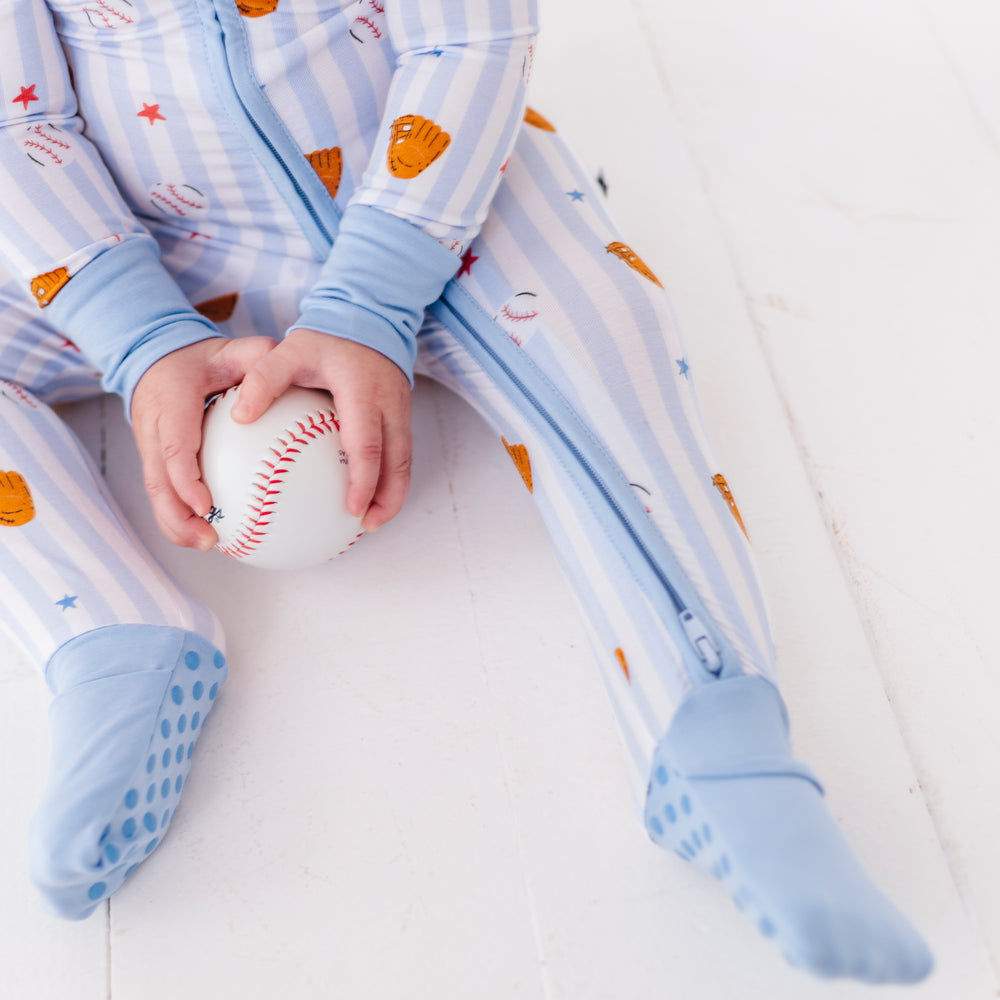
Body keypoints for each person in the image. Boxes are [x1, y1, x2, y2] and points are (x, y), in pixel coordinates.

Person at [0, 0, 932, 982]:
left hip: (431, 195)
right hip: (140, 235)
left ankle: (712, 730)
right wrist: (141, 337)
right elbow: (17, 120)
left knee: (601, 331)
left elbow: (469, 38)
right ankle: (107, 631)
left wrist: (372, 297)